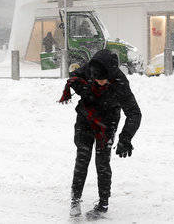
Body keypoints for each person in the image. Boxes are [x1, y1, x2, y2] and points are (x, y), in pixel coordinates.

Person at [58, 49, 142, 219]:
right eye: (96, 80)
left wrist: (126, 137)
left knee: (102, 162)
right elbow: (74, 77)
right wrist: (82, 88)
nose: (100, 83)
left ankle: (103, 204)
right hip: (86, 118)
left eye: (103, 80)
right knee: (82, 158)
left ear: (110, 75)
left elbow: (134, 113)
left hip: (107, 123)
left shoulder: (120, 82)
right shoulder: (90, 67)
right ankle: (75, 199)